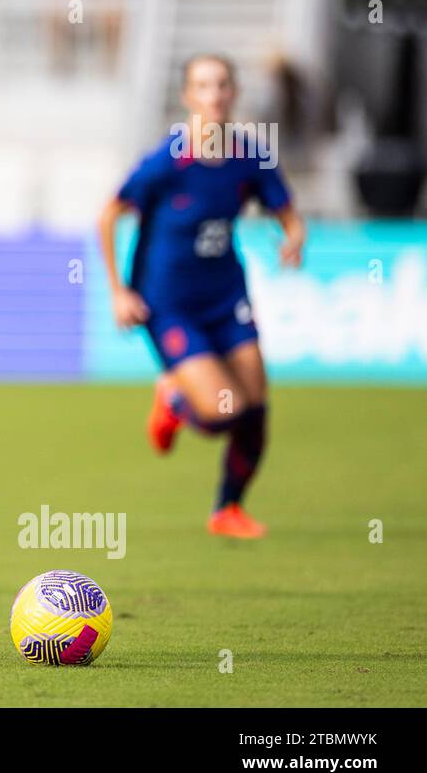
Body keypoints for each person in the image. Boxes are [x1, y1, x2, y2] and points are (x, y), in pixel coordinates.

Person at [98, 54, 305, 538]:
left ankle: (226, 510)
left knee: (255, 406)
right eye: (203, 86)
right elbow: (108, 213)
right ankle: (172, 399)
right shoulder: (168, 161)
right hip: (168, 303)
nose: (214, 95)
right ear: (189, 96)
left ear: (233, 93)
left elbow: (287, 211)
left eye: (222, 85)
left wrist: (295, 237)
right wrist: (118, 291)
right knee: (221, 413)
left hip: (226, 295)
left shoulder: (250, 155)